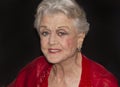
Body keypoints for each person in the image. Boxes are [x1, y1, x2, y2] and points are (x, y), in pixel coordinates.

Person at [7, 0, 119, 87]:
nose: (51, 41)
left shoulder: (103, 83)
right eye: (45, 33)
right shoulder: (36, 69)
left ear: (80, 37)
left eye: (61, 33)